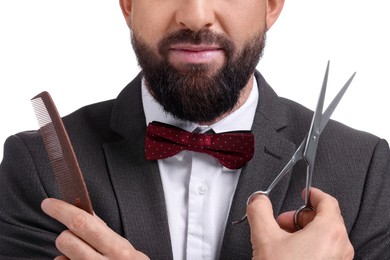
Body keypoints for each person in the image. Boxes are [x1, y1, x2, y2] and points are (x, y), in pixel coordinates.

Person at [0, 0, 389, 259]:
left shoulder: (366, 171)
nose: (196, 15)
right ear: (128, 4)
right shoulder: (37, 168)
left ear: (271, 5)